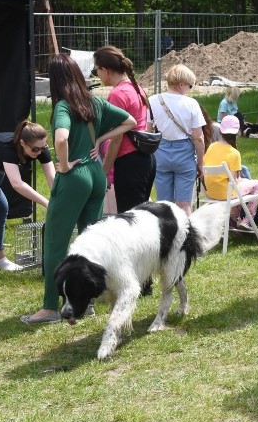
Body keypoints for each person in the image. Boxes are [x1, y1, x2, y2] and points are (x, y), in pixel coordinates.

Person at [21, 54, 135, 324]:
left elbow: (61, 138)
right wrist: (101, 139)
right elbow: (130, 121)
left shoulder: (63, 105)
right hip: (97, 174)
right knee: (89, 242)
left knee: (55, 243)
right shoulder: (94, 101)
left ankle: (50, 308)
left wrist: (63, 165)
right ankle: (87, 301)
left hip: (75, 176)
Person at [94, 45, 156, 212]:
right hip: (146, 159)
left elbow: (117, 138)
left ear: (105, 70)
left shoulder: (117, 94)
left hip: (130, 163)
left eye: (96, 70)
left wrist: (104, 171)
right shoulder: (136, 88)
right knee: (141, 217)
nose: (96, 75)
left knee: (129, 221)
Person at [0, 121, 56, 271]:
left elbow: (53, 180)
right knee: (0, 207)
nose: (39, 152)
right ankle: (0, 259)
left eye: (43, 147)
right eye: (35, 149)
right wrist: (47, 203)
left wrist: (58, 200)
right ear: (22, 143)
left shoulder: (40, 148)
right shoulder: (7, 148)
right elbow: (17, 184)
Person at [149, 64, 206, 216]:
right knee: (184, 203)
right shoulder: (191, 103)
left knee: (163, 204)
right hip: (184, 154)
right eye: (190, 86)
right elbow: (198, 138)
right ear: (181, 85)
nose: (190, 89)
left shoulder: (153, 100)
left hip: (161, 151)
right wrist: (201, 163)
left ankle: (165, 237)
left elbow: (148, 131)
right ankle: (186, 237)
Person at [202, 115, 258, 229]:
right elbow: (234, 181)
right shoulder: (234, 153)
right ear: (237, 132)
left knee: (239, 188)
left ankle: (233, 221)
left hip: (210, 192)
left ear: (221, 130)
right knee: (256, 184)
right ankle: (247, 220)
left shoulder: (211, 147)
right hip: (225, 193)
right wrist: (244, 180)